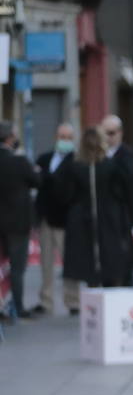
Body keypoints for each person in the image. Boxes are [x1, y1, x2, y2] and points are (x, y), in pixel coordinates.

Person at [55, 128, 131, 296]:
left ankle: (93, 298)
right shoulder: (111, 166)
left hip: (83, 221)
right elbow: (123, 191)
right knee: (110, 263)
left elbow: (64, 193)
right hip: (108, 220)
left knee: (89, 268)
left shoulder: (74, 165)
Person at [34, 123, 76, 315]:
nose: (64, 140)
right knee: (46, 262)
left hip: (65, 220)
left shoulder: (76, 160)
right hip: (46, 219)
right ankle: (46, 300)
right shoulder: (44, 159)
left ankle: (72, 300)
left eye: (68, 137)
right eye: (62, 136)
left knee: (69, 263)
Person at [0, 121, 40, 317]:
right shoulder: (19, 161)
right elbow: (37, 181)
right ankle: (18, 306)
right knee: (17, 267)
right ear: (10, 138)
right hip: (17, 223)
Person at [99, 114, 133, 285]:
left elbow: (130, 185)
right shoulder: (98, 155)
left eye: (111, 133)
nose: (108, 137)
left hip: (121, 218)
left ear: (120, 133)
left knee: (123, 260)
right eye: (105, 133)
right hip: (102, 218)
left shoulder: (127, 156)